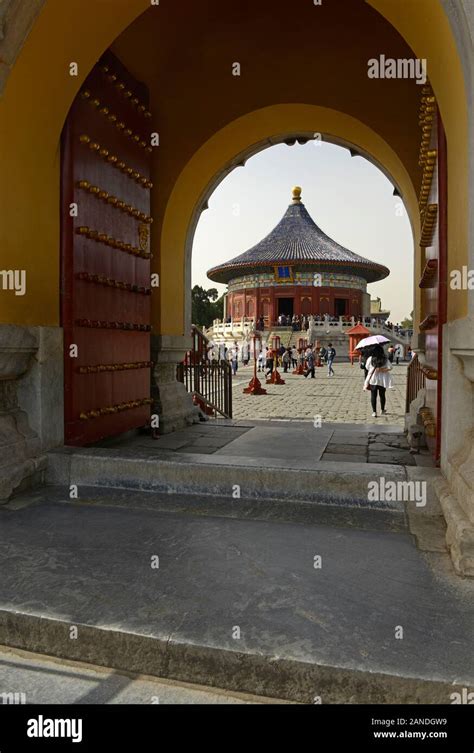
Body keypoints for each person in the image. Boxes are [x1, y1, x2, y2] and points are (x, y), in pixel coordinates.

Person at [364, 344, 393, 417]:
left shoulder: (370, 359)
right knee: (382, 395)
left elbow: (367, 367)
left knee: (373, 396)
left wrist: (375, 369)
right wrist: (382, 369)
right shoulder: (385, 359)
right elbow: (390, 367)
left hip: (373, 379)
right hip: (382, 380)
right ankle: (382, 410)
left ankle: (374, 412)